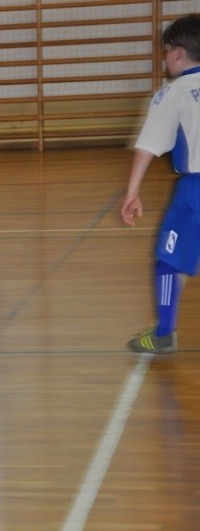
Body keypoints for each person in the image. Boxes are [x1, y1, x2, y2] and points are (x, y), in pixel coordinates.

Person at [121, 13, 200, 355]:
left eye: (167, 51)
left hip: (195, 192)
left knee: (168, 259)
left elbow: (149, 145)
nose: (165, 58)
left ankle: (164, 334)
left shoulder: (174, 92)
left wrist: (132, 190)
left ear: (179, 53)